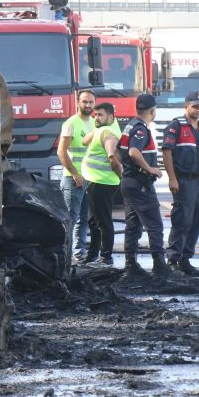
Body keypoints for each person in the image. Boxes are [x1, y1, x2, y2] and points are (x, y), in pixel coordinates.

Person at [117, 93, 173, 278]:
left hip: (129, 183)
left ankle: (130, 265)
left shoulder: (130, 126)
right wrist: (149, 168)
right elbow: (133, 151)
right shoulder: (140, 129)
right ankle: (159, 266)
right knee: (155, 225)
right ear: (152, 110)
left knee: (133, 225)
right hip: (140, 185)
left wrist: (126, 172)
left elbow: (118, 153)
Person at [162, 90, 199, 277]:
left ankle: (185, 260)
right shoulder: (176, 126)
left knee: (196, 221)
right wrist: (172, 178)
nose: (198, 110)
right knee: (181, 220)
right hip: (184, 180)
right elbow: (167, 152)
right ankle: (173, 260)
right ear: (186, 106)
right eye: (194, 106)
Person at [80, 101, 123, 266]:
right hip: (95, 182)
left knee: (103, 221)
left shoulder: (108, 133)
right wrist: (96, 127)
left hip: (103, 183)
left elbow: (112, 157)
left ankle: (106, 257)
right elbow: (85, 141)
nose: (95, 118)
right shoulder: (102, 128)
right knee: (94, 221)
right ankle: (92, 256)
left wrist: (121, 176)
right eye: (95, 115)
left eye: (100, 115)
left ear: (110, 117)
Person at [56, 89, 96, 262]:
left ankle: (78, 255)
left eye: (91, 102)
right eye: (84, 102)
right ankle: (65, 255)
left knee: (84, 219)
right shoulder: (71, 123)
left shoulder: (94, 123)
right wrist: (75, 173)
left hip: (90, 178)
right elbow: (61, 152)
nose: (88, 105)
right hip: (74, 179)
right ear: (78, 103)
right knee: (70, 219)